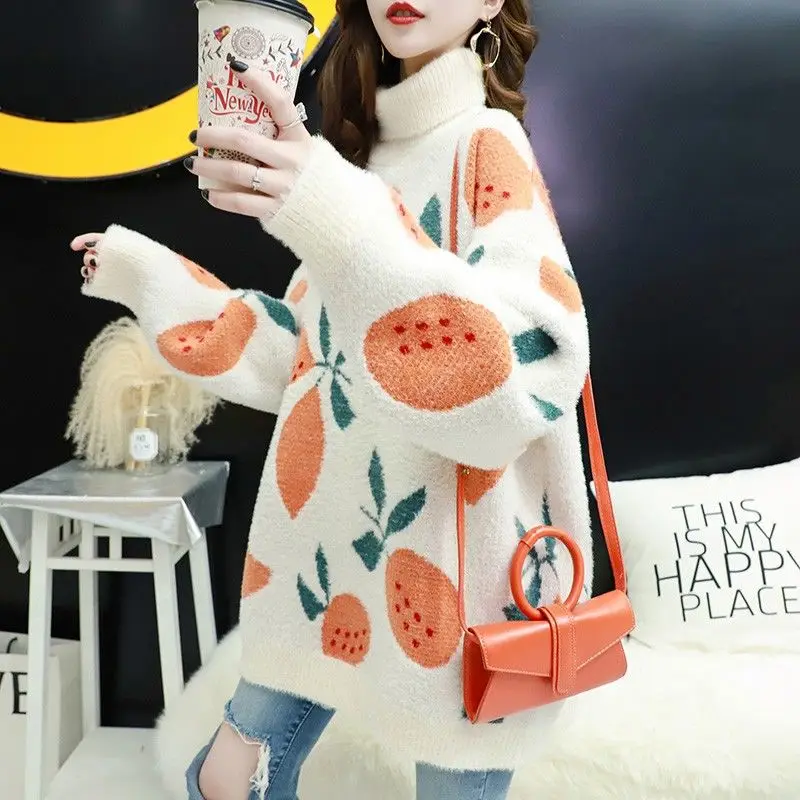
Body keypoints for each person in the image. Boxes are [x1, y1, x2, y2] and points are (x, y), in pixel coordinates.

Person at [71, 0, 593, 797]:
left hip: (463, 582)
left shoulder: (485, 143)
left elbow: (528, 369)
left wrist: (329, 207)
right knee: (228, 778)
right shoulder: (365, 166)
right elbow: (310, 360)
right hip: (330, 555)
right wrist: (148, 277)